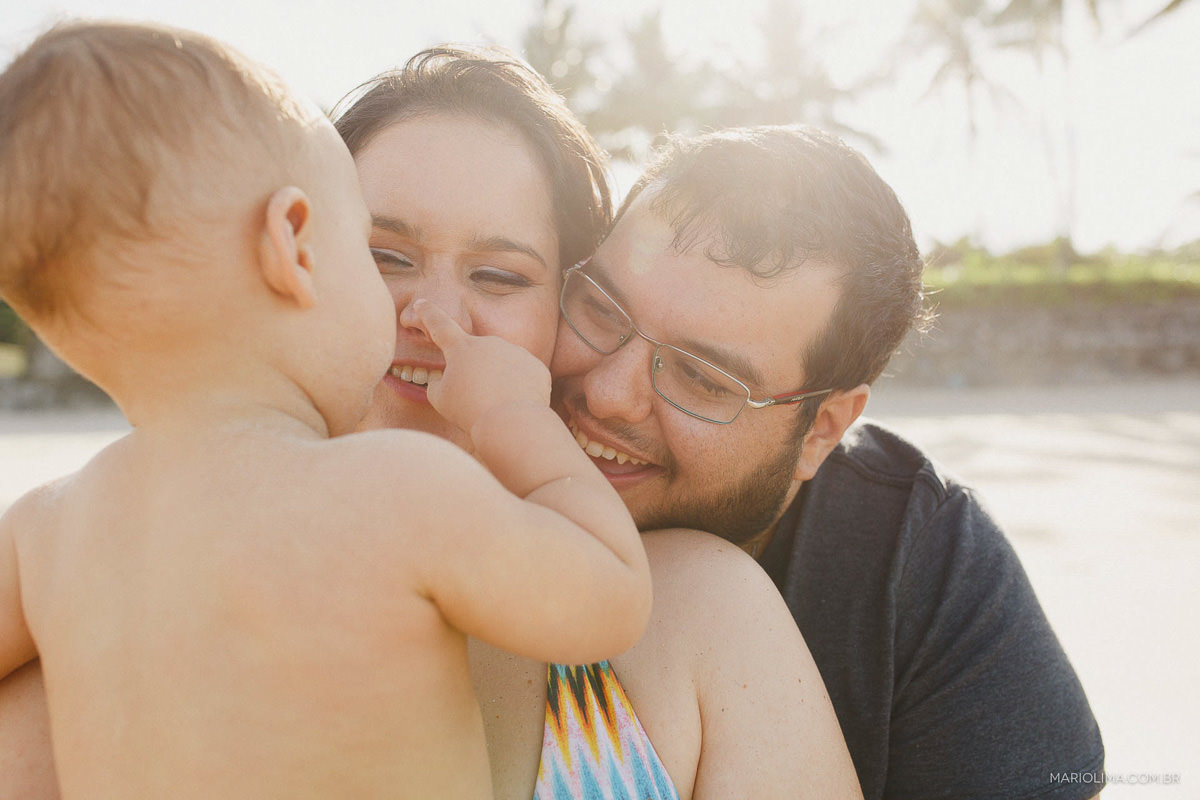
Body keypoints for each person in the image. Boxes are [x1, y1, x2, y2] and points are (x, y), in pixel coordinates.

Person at [0, 43, 863, 800]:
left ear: (562, 309)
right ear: (292, 244)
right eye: (382, 255)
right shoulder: (412, 495)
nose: (434, 314)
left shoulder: (49, 538)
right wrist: (519, 424)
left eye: (501, 276)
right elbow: (606, 587)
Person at [550, 126, 1106, 799]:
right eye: (600, 309)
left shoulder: (923, 570)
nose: (607, 394)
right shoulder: (459, 448)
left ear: (823, 429)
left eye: (701, 379)